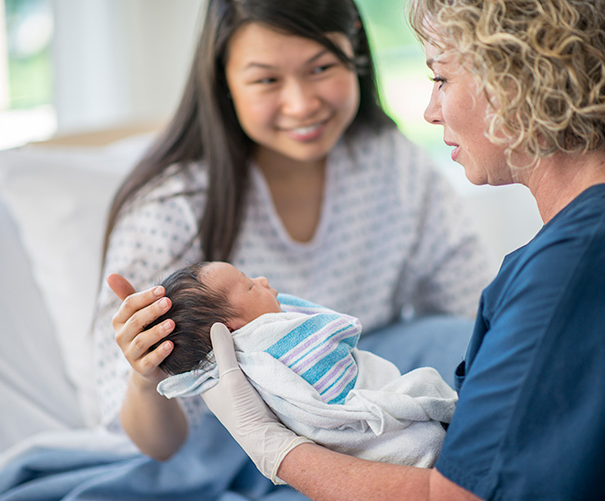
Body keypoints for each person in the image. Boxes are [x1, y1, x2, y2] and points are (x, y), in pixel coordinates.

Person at [195, 0, 605, 499]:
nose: (431, 112)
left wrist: (276, 450)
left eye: (441, 79)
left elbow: (455, 497)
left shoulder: (574, 274)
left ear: (520, 78)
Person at [98, 0, 492, 496]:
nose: (302, 103)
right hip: (222, 455)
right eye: (266, 80)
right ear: (223, 81)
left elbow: (470, 318)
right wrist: (144, 374)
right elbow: (157, 445)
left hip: (357, 407)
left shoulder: (393, 165)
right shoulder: (171, 210)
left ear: (355, 53)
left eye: (321, 68)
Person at [146, 261, 457, 468]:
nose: (262, 280)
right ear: (230, 329)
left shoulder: (278, 330)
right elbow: (313, 408)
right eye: (250, 287)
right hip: (358, 426)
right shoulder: (261, 353)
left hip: (367, 399)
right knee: (425, 399)